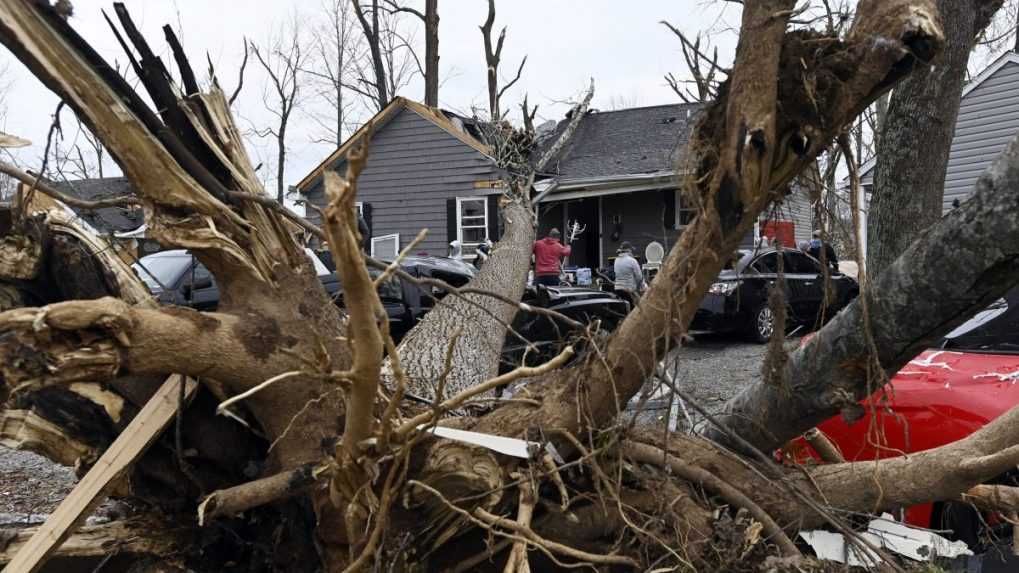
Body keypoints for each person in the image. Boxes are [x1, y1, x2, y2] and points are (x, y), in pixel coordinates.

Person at [613, 241, 645, 307]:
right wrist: (641, 288)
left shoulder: (616, 260)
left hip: (618, 289)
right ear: (628, 251)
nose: (632, 252)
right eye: (631, 250)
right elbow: (639, 277)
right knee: (636, 309)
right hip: (628, 290)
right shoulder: (632, 261)